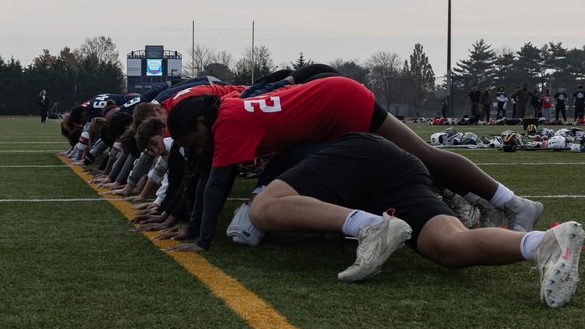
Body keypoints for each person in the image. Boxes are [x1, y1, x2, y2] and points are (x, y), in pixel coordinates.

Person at [163, 76, 544, 252]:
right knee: (410, 163)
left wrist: (202, 241)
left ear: (201, 123)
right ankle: (479, 203)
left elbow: (216, 186)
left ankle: (513, 203)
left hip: (339, 103)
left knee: (423, 156)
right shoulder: (225, 109)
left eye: (193, 141)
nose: (197, 149)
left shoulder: (227, 123)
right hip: (324, 117)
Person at [247, 132, 585, 307]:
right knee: (449, 247)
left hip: (353, 155)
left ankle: (370, 226)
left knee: (260, 209)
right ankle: (544, 243)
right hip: (394, 163)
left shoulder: (240, 124)